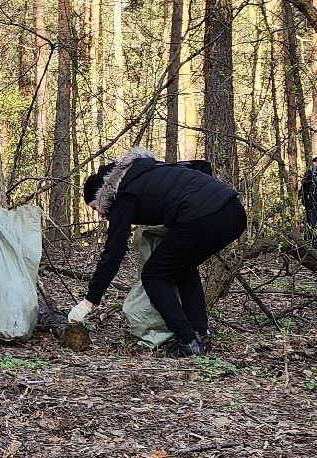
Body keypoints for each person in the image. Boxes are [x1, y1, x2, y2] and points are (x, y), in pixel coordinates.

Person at [70, 148, 246, 357]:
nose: (100, 215)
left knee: (153, 275)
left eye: (95, 208)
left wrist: (90, 302)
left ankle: (187, 340)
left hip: (204, 217)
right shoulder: (147, 170)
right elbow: (201, 166)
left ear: (101, 195)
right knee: (182, 267)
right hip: (233, 212)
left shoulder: (122, 194)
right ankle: (200, 332)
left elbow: (114, 252)